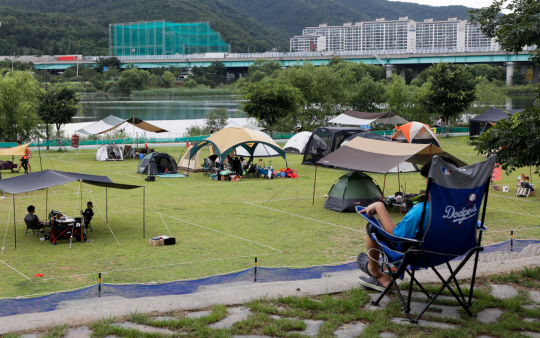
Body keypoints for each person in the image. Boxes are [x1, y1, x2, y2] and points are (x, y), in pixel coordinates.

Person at [357, 156, 458, 291]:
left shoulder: (422, 210)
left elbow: (395, 234)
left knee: (373, 227)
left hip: (419, 255)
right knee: (412, 230)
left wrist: (380, 206)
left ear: (429, 181)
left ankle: (375, 272)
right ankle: (388, 267)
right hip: (450, 250)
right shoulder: (463, 208)